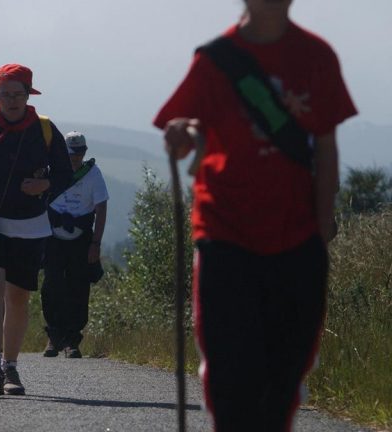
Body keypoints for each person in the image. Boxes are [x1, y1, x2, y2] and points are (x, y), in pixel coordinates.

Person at [153, 1, 356, 430]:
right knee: (231, 375)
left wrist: (320, 233)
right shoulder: (215, 60)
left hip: (296, 237)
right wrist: (181, 136)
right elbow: (186, 135)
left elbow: (325, 148)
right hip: (224, 232)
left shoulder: (317, 56)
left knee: (283, 376)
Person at [0, 63, 73, 396]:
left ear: (29, 94)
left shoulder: (46, 129)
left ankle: (11, 367)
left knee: (17, 298)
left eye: (18, 94)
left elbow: (65, 174)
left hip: (30, 223)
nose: (12, 100)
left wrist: (44, 185)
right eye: (5, 94)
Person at [41, 131, 108, 359]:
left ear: (85, 152)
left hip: (81, 239)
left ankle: (72, 340)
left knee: (78, 287)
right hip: (52, 237)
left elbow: (101, 208)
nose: (75, 158)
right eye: (71, 153)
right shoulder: (52, 171)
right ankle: (53, 335)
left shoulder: (93, 174)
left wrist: (95, 244)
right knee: (52, 285)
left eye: (79, 153)